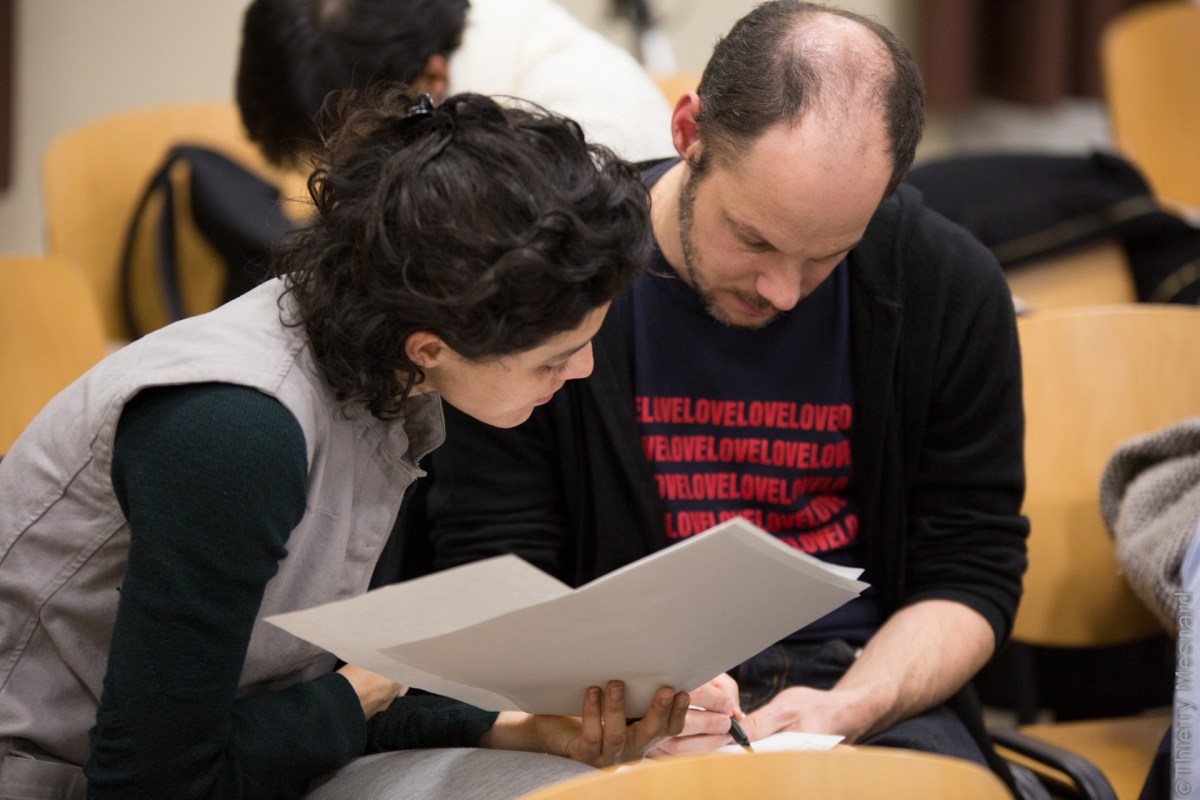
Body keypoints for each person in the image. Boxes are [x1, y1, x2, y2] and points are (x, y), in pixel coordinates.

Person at [403, 0, 1029, 791]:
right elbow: (498, 565)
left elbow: (972, 569)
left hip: (862, 689)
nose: (783, 291)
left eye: (828, 255)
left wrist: (856, 704)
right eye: (754, 238)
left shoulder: (945, 284)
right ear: (688, 131)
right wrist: (614, 709)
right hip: (618, 705)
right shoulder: (550, 280)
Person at [0, 88, 691, 800]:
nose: (584, 371)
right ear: (431, 345)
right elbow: (153, 784)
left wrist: (515, 728)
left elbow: (316, 688)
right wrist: (352, 697)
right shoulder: (234, 430)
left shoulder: (381, 369)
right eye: (556, 358)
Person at [235, 0, 674, 171]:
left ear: (431, 81)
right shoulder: (481, 36)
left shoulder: (576, 137)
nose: (338, 176)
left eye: (342, 155)